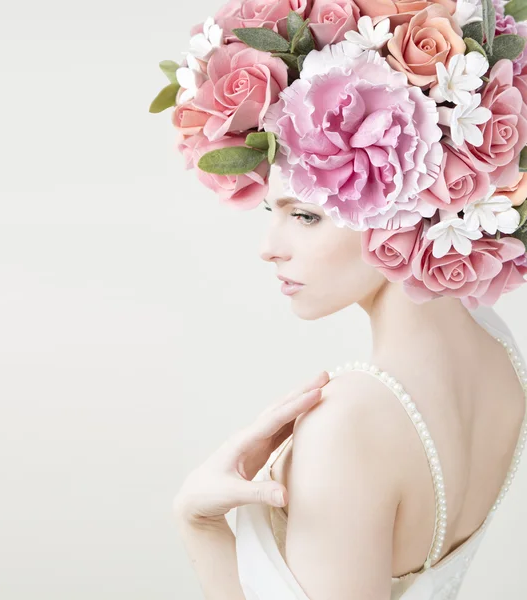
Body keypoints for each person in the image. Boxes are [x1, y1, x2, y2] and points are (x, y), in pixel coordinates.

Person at [172, 168, 527, 600]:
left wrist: (200, 525)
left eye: (305, 216)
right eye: (272, 210)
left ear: (400, 214)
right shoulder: (500, 349)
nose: (268, 249)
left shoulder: (348, 424)